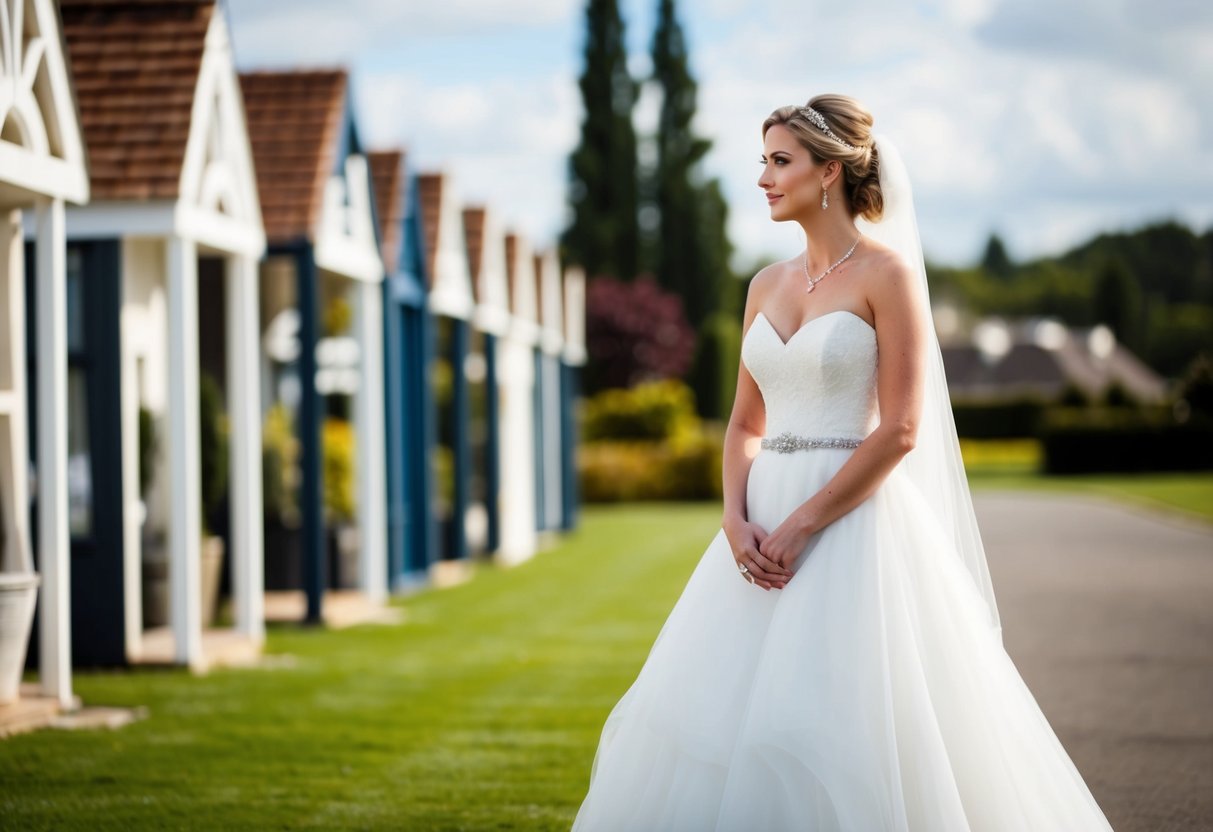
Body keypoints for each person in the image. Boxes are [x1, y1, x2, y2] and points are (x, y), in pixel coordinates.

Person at [571, 94, 1114, 831]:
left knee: (845, 718)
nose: (762, 178)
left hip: (850, 522)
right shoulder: (763, 285)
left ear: (828, 172)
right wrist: (736, 522)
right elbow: (740, 425)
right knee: (720, 717)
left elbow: (898, 430)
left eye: (779, 161)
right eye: (761, 160)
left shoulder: (886, 275)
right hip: (755, 526)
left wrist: (799, 524)